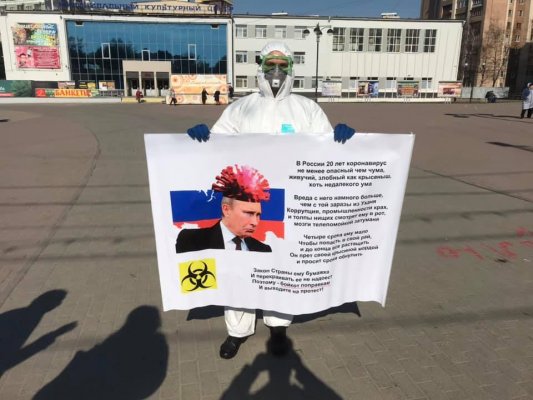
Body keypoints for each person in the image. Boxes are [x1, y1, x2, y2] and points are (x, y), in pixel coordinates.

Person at [185, 41, 356, 360]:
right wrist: (201, 138)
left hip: (288, 202)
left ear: (291, 68)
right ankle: (237, 331)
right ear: (261, 67)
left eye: (282, 65)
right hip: (245, 200)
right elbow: (218, 143)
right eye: (270, 64)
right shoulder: (242, 108)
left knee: (280, 263)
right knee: (240, 264)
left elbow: (326, 151)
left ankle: (278, 327)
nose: (276, 71)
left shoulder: (307, 109)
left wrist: (342, 141)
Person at [175, 165, 271, 254]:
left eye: (258, 215)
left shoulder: (263, 250)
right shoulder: (191, 240)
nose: (255, 222)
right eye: (249, 213)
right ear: (226, 210)